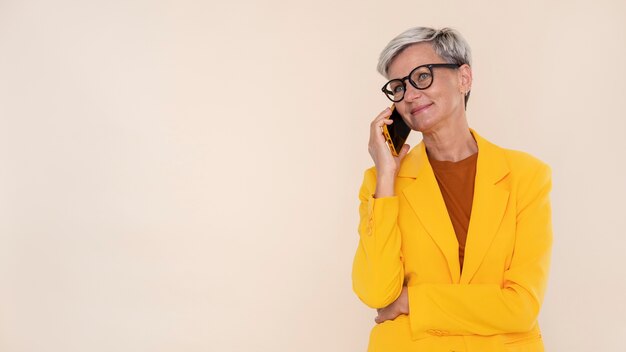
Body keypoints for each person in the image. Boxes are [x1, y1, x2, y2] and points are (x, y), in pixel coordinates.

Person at [352, 27, 553, 352]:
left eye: (421, 76)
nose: (410, 95)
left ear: (464, 78)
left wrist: (411, 302)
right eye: (399, 87)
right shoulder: (380, 184)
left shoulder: (526, 176)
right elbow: (376, 292)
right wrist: (386, 175)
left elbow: (521, 308)